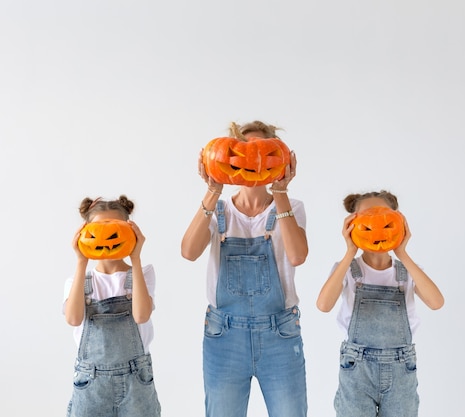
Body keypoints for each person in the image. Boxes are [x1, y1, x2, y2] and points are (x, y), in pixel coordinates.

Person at [181, 121, 309, 417]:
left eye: (262, 153)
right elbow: (188, 252)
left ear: (278, 160)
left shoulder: (291, 206)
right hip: (224, 336)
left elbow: (298, 255)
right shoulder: (219, 211)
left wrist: (280, 192)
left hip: (280, 333)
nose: (252, 161)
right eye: (243, 153)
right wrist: (213, 191)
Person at [316, 190, 444, 417]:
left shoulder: (406, 271)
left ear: (399, 222)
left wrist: (402, 252)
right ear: (351, 226)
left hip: (401, 369)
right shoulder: (347, 270)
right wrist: (349, 252)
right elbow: (324, 305)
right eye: (367, 221)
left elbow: (436, 302)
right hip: (357, 369)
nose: (376, 228)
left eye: (384, 221)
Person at [63, 195, 161, 417]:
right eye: (97, 230)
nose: (106, 237)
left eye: (114, 230)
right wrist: (81, 261)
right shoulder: (78, 282)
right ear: (84, 234)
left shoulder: (142, 274)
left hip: (136, 382)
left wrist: (136, 257)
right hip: (91, 383)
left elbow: (141, 315)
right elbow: (73, 319)